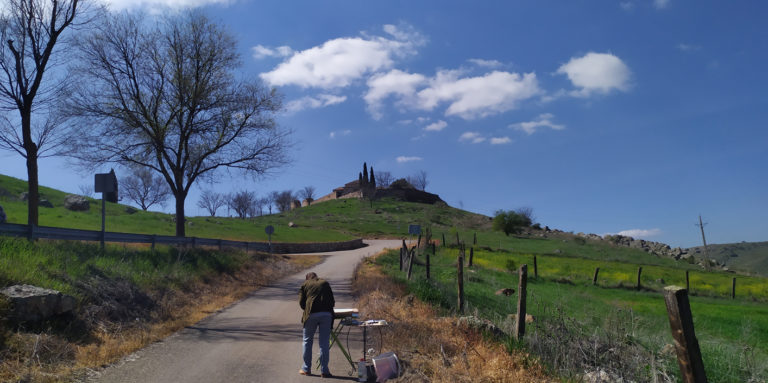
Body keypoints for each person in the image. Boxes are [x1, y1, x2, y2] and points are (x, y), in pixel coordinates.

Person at [298, 272, 335, 377]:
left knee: (307, 341)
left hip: (311, 314)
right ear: (316, 277)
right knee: (324, 343)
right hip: (326, 314)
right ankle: (324, 371)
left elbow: (301, 303)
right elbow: (332, 301)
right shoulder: (325, 283)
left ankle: (306, 369)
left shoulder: (305, 284)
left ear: (307, 278)